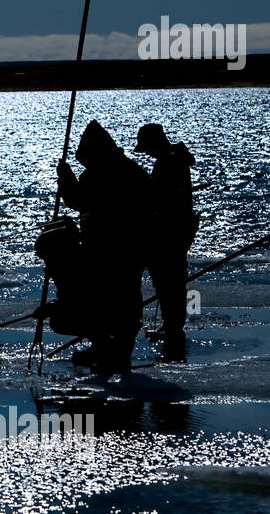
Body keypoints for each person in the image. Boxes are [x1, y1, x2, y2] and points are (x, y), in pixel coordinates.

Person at [54, 120, 151, 374]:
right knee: (111, 300)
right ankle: (107, 348)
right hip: (122, 249)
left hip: (115, 250)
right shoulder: (133, 170)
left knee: (118, 300)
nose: (84, 164)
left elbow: (78, 199)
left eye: (86, 159)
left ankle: (116, 351)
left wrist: (65, 179)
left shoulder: (104, 174)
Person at [134, 123, 198, 362]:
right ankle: (172, 326)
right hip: (176, 229)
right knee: (171, 280)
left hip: (172, 231)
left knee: (169, 279)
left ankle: (173, 329)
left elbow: (161, 199)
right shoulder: (172, 160)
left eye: (148, 148)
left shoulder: (169, 162)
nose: (148, 153)